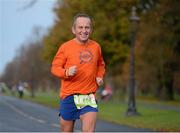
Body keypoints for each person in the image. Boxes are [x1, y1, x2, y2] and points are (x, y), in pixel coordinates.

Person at [51, 13, 106, 132]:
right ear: (74, 29)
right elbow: (55, 68)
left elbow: (100, 65)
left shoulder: (96, 47)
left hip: (88, 96)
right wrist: (66, 72)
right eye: (80, 27)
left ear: (91, 30)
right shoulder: (65, 47)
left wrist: (99, 76)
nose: (84, 30)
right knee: (66, 130)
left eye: (87, 27)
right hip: (69, 96)